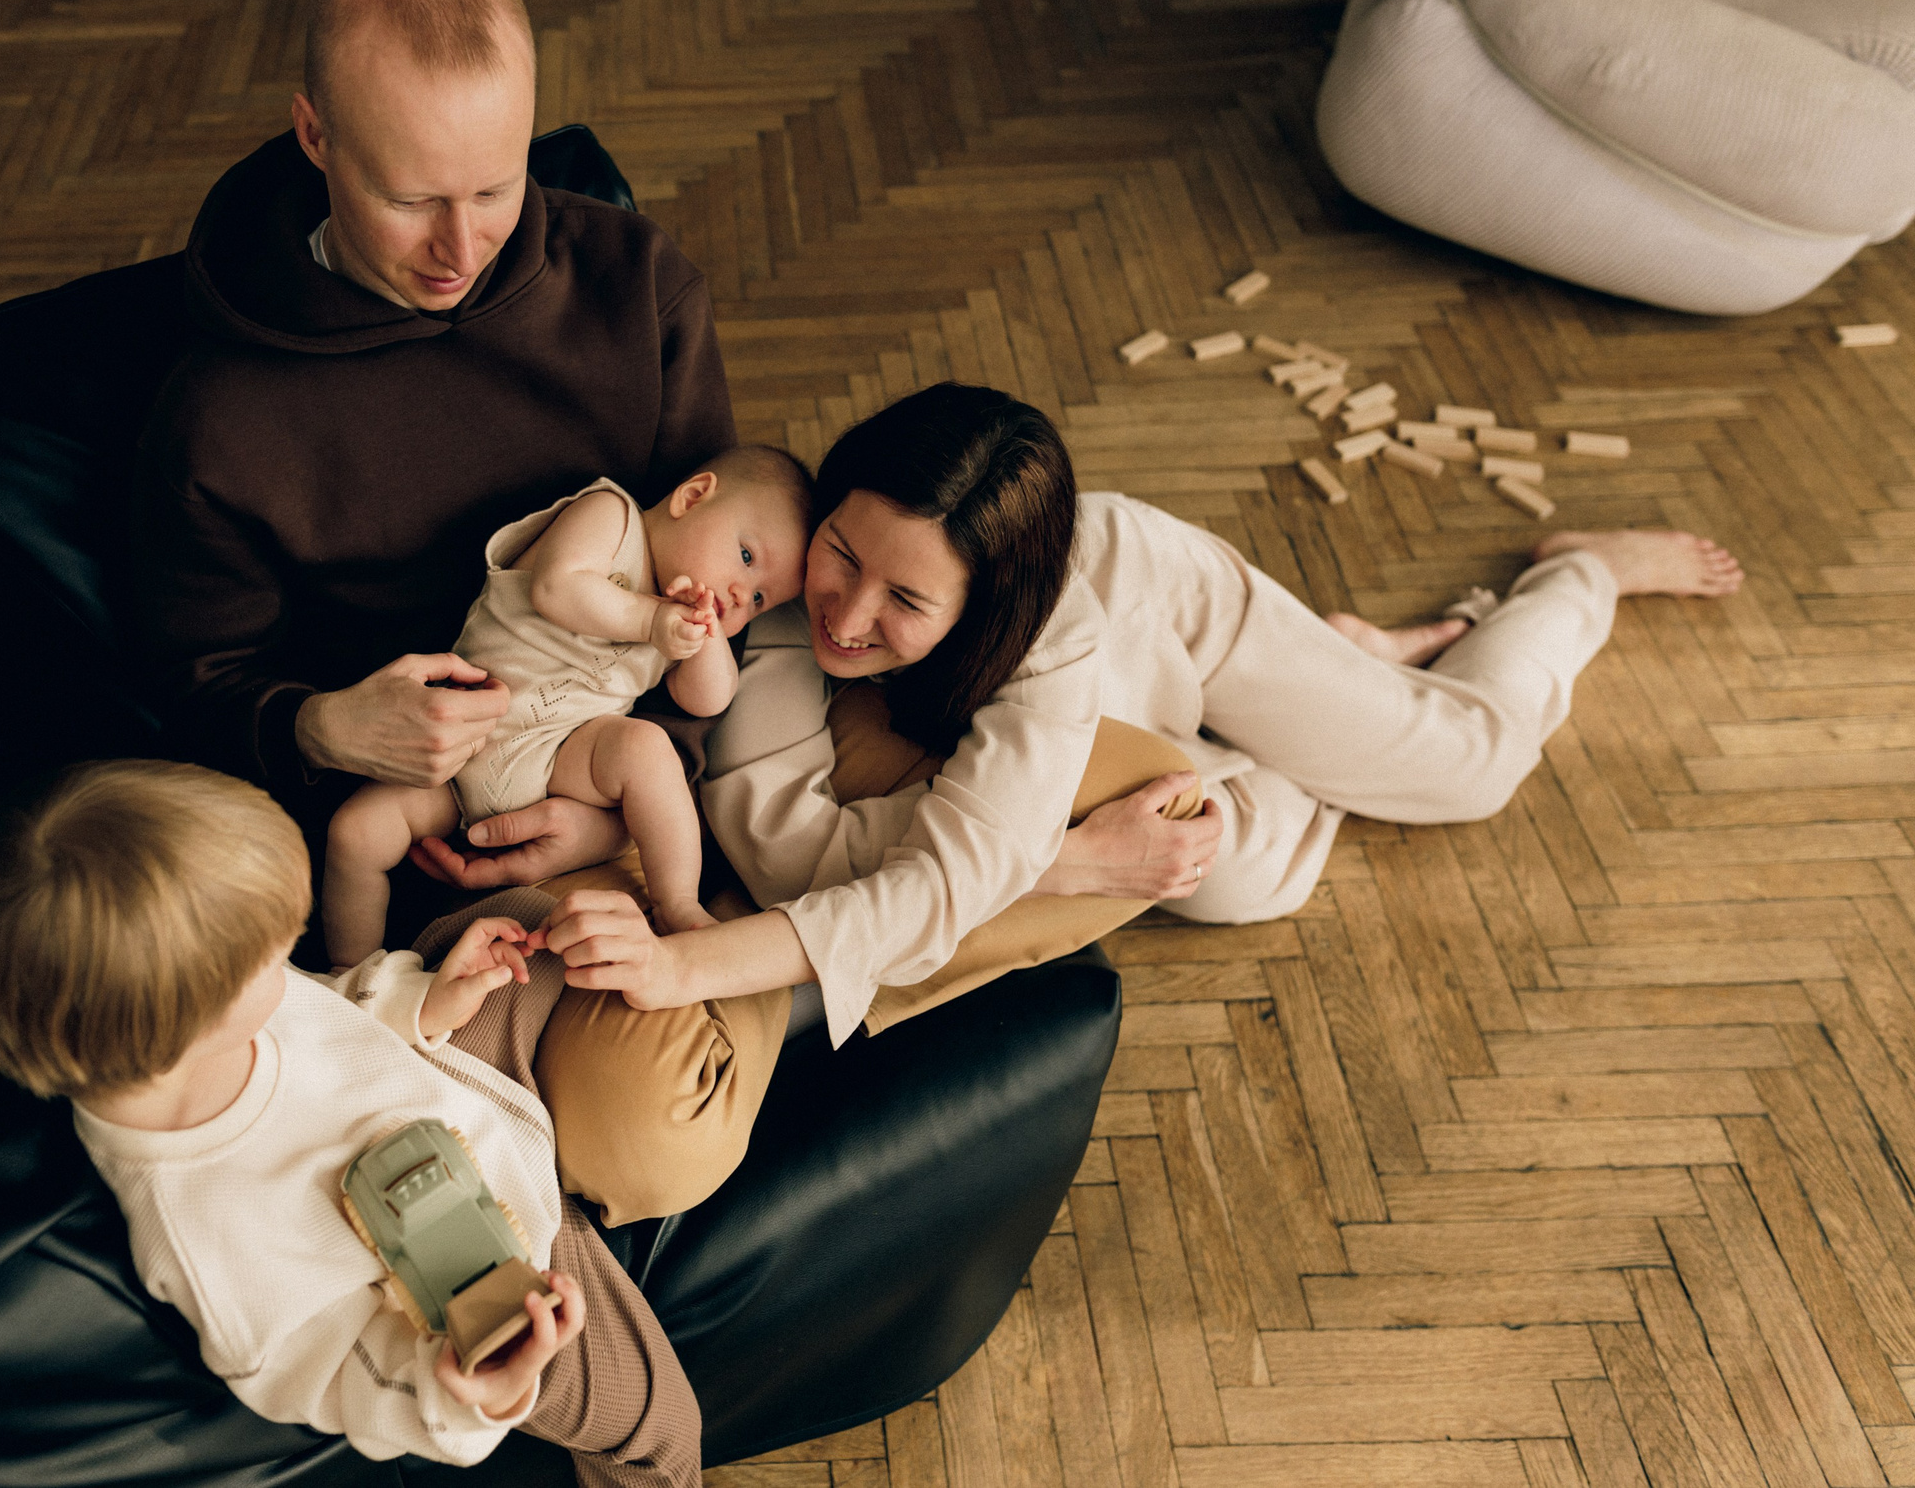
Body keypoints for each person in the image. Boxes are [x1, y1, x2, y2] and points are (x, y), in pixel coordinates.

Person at [428, 381, 1743, 1222]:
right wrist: (1070, 847)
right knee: (1235, 872)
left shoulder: (1046, 633)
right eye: (841, 553)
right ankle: (1336, 678)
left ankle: (1570, 584)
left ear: (979, 605)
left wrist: (680, 960)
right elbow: (807, 858)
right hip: (1063, 748)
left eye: (904, 600)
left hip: (1164, 617)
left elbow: (935, 885)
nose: (843, 609)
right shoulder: (773, 617)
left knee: (1474, 766)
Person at [0, 760, 701, 1488]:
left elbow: (326, 1006)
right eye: (274, 953)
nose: (289, 954)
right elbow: (346, 1375)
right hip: (502, 1276)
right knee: (660, 1425)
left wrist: (424, 1002)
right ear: (189, 1032)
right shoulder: (209, 1233)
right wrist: (472, 1386)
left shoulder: (178, 1019)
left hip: (453, 1083)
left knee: (532, 920)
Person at [130, 0, 731, 867]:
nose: (461, 247)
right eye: (409, 199)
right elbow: (198, 686)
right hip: (386, 837)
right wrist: (322, 727)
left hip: (635, 790)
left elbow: (716, 572)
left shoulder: (639, 286)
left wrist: (621, 812)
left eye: (494, 188)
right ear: (315, 136)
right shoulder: (218, 420)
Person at [324, 448, 812, 965]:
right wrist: (652, 621)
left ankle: (677, 905)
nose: (741, 595)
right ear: (692, 497)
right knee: (354, 835)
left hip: (559, 758)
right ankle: (354, 977)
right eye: (746, 558)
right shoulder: (611, 515)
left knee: (646, 749)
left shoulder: (680, 623)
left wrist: (706, 639)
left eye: (760, 600)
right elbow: (557, 587)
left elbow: (707, 699)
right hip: (456, 742)